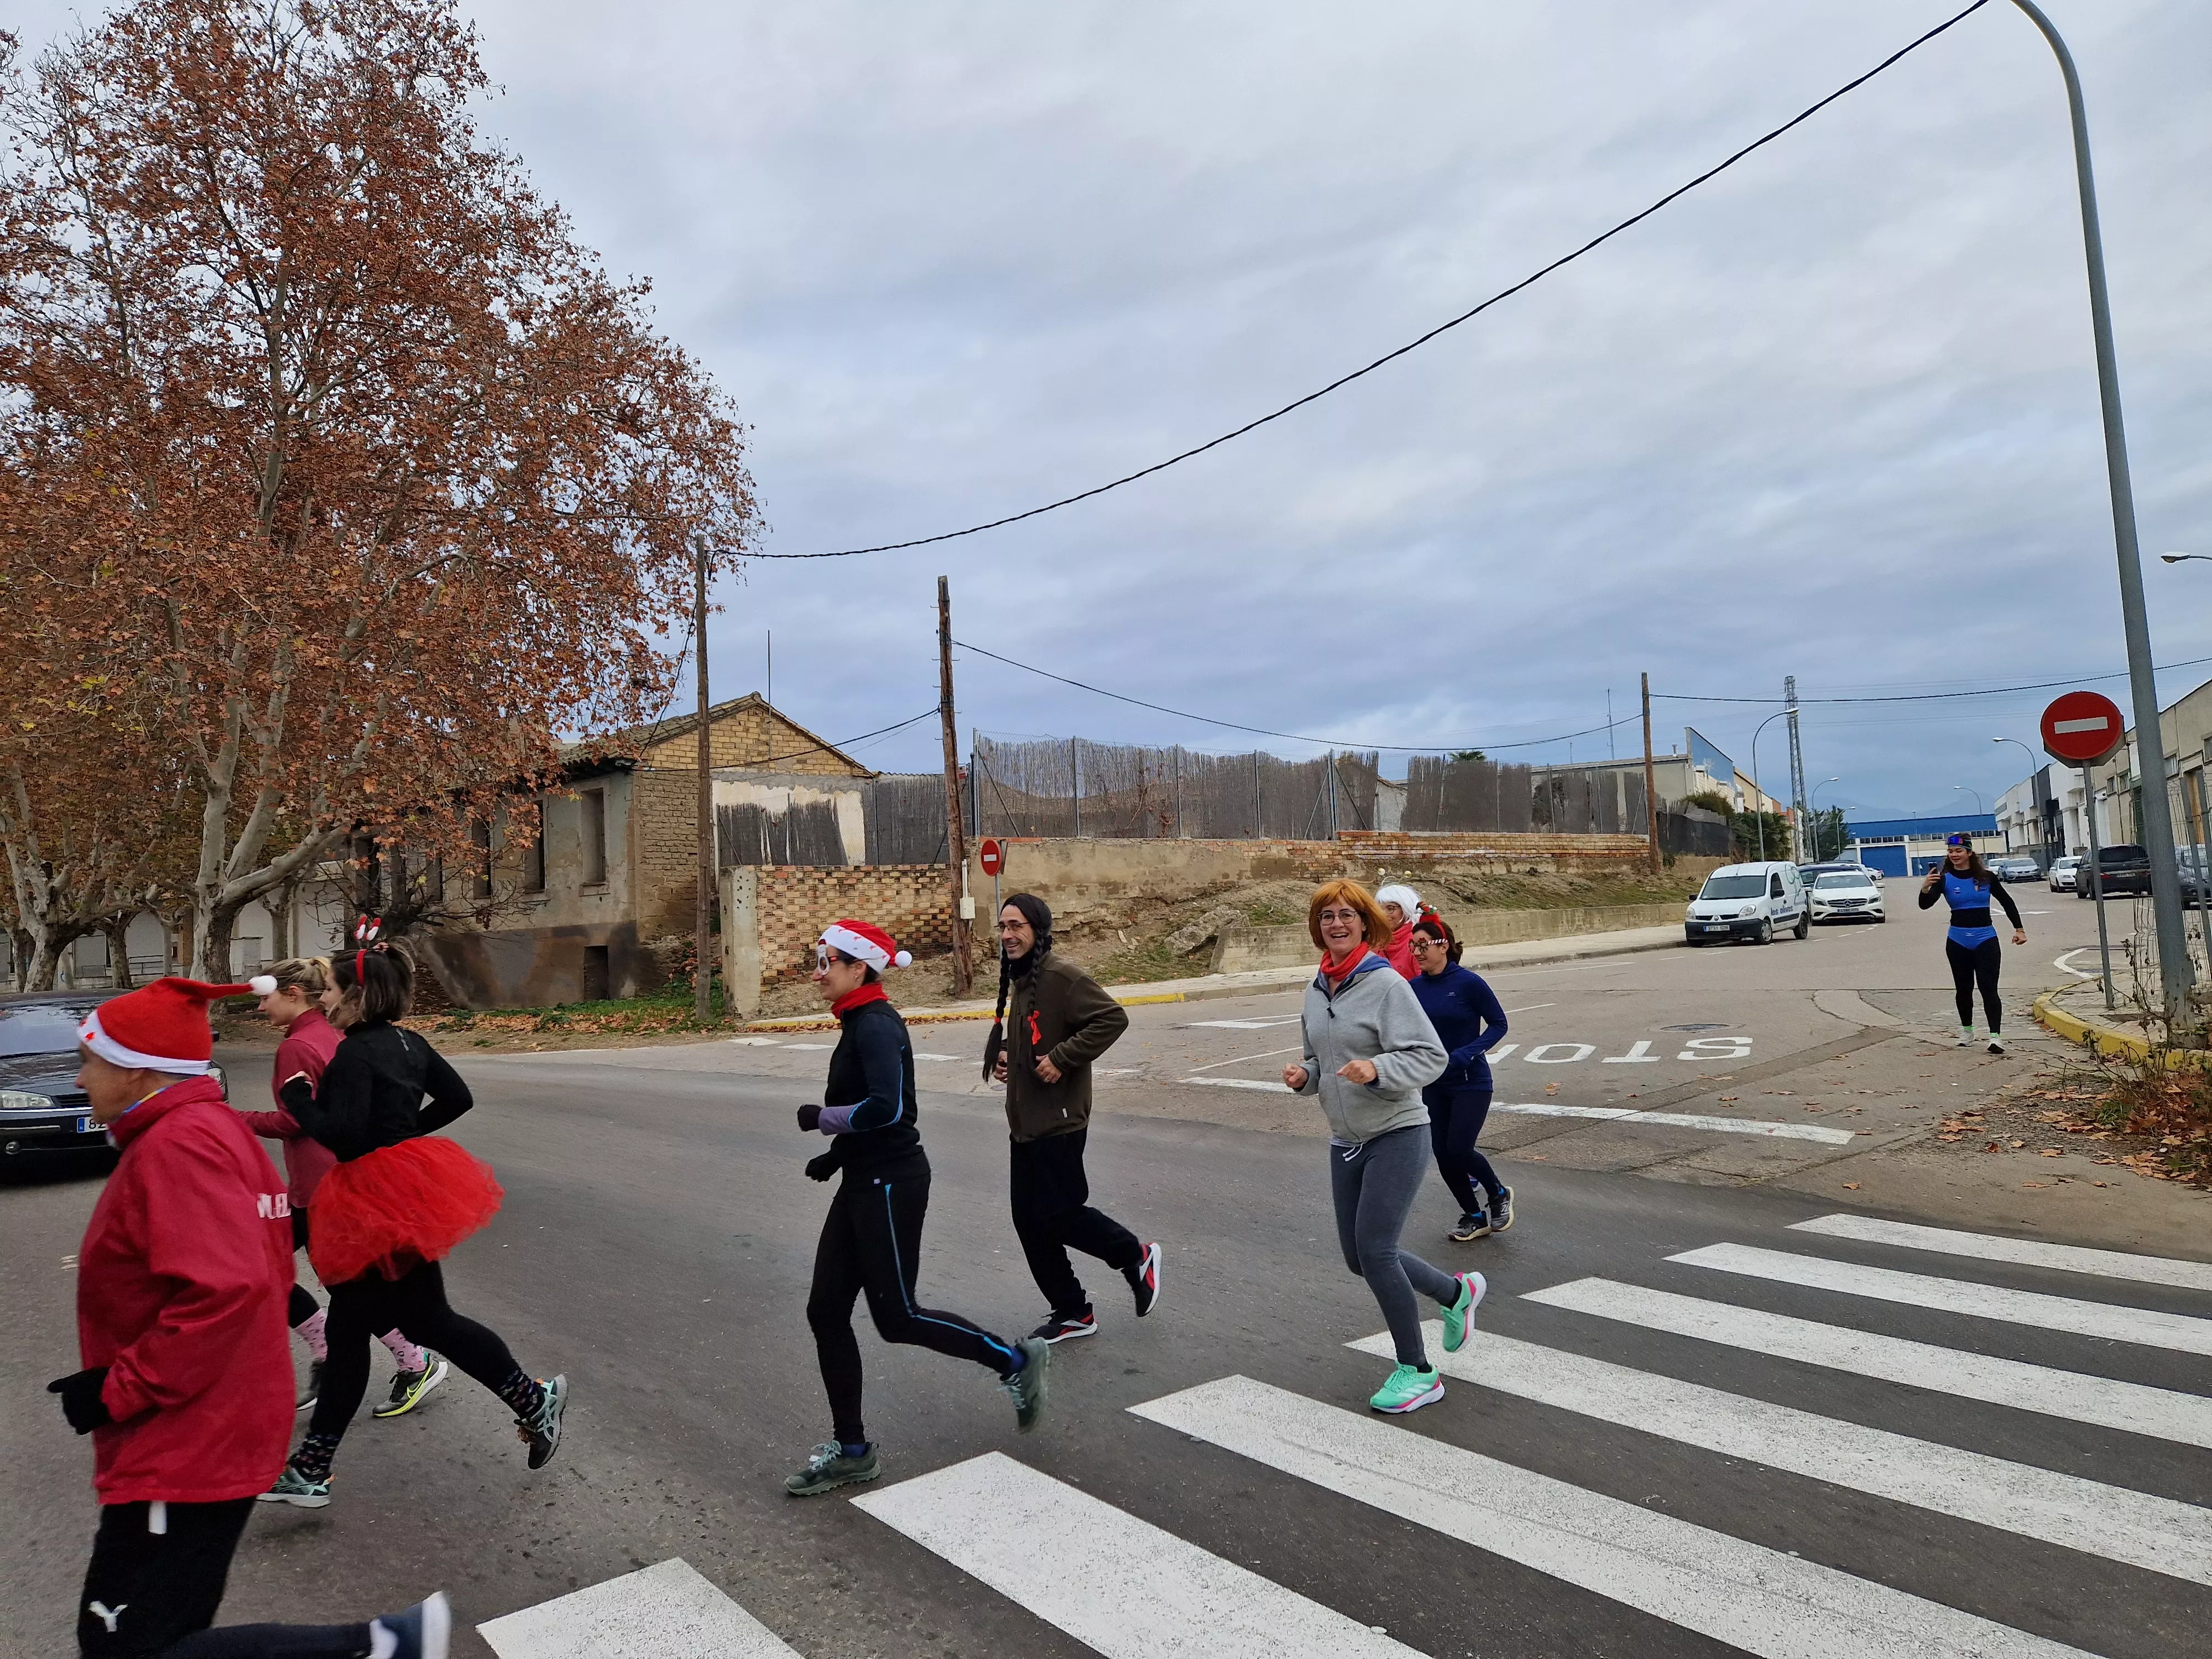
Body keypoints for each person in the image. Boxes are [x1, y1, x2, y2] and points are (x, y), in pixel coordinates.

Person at [52, 974, 450, 1659]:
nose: (80, 1077)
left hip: (184, 1438)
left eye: (90, 1060)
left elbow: (227, 1292)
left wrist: (116, 1389)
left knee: (127, 1648)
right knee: (155, 1634)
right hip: (209, 1423)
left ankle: (377, 1648)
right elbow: (257, 1271)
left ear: (139, 1069)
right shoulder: (205, 1132)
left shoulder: (180, 1146)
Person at [259, 938, 565, 1507]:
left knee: (402, 1326)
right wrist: (403, 1140)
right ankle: (313, 1465)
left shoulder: (355, 1052)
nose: (324, 1002)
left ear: (356, 995)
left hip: (371, 1202)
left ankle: (314, 1467)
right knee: (409, 1324)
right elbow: (457, 1099)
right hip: (398, 1193)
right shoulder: (409, 1042)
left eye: (329, 991)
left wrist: (299, 1101)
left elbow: (341, 1135)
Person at [787, 920, 1049, 1498]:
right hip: (863, 1178)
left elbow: (886, 1107)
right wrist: (836, 1158)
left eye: (826, 960)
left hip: (890, 1183)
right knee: (825, 1312)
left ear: (859, 968)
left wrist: (820, 1119)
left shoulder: (876, 1025)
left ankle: (1013, 1360)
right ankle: (852, 1451)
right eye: (819, 959)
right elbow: (878, 1113)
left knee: (898, 1316)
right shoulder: (858, 1020)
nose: (817, 971)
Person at [1282, 881, 1484, 1414]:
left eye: (1348, 915)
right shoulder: (1316, 989)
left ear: (1366, 924)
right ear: (1317, 926)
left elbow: (1429, 1056)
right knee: (1360, 1259)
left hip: (1397, 1130)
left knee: (1376, 1251)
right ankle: (1455, 1294)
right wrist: (1305, 1076)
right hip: (1345, 1140)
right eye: (1327, 916)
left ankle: (1418, 1371)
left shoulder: (1387, 984)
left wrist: (1379, 1069)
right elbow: (1320, 1060)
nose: (1337, 924)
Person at [237, 958, 445, 1417]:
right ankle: (402, 1359)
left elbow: (297, 1121)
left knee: (268, 1271)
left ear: (293, 993)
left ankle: (377, 1359)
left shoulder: (296, 1047)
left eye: (265, 998)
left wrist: (235, 1120)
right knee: (345, 1286)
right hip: (345, 1179)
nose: (260, 1009)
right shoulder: (333, 1036)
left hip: (319, 1185)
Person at [987, 894, 1161, 1344]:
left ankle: (1134, 1254)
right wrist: (1007, 1057)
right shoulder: (1021, 980)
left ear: (1038, 930)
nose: (1008, 935)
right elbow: (1034, 1035)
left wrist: (1063, 1059)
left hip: (1059, 1122)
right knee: (1029, 1222)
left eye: (1016, 926)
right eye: (1003, 926)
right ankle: (1072, 1310)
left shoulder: (1061, 976)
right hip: (1026, 1123)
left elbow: (1110, 1018)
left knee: (1060, 1213)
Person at [1407, 915, 1514, 1241]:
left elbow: (1499, 1024)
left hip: (1471, 1082)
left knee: (1460, 1149)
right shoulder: (1413, 988)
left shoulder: (1468, 983)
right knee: (1442, 1153)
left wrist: (1469, 1052)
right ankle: (1474, 1215)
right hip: (1434, 1084)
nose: (1417, 952)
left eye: (1423, 945)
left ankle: (1497, 1193)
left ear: (1444, 946)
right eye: (1413, 946)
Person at [1918, 834, 2026, 1054]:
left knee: (1989, 989)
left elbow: (2007, 902)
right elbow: (1924, 906)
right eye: (1950, 852)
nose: (1954, 855)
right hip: (1957, 940)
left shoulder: (1986, 877)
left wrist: (2019, 929)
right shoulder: (1944, 879)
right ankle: (1967, 1031)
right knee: (1963, 990)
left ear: (1969, 853)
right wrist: (1925, 888)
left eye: (1958, 851)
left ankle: (1995, 1037)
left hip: (1986, 938)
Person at [1374, 883, 1426, 978]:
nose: (1383, 915)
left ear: (1406, 909)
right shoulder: (1375, 942)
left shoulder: (1417, 943)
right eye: (1379, 910)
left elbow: (1425, 985)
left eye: (1390, 909)